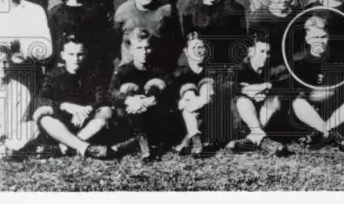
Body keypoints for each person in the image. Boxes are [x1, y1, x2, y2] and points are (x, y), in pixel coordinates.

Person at [290, 15, 344, 152]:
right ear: (307, 39)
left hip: (334, 108)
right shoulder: (298, 60)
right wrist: (315, 95)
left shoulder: (338, 57)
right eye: (315, 38)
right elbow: (295, 90)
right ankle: (330, 133)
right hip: (310, 110)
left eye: (323, 37)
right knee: (297, 103)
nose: (320, 42)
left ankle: (321, 133)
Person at [32, 36, 112, 159]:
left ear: (85, 54)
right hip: (62, 123)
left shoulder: (92, 74)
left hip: (86, 122)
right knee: (44, 119)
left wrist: (85, 110)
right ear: (63, 55)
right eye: (71, 54)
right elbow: (41, 100)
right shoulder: (54, 75)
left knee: (106, 111)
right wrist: (65, 106)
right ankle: (83, 147)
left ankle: (64, 147)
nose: (76, 59)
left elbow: (101, 98)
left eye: (79, 54)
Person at [109, 28, 173, 161]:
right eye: (139, 48)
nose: (144, 53)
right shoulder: (123, 71)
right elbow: (111, 93)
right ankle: (142, 142)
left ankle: (138, 143)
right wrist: (129, 100)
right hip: (130, 115)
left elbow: (171, 88)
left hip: (154, 114)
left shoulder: (158, 69)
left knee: (156, 85)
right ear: (131, 50)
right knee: (127, 88)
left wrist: (152, 98)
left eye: (147, 48)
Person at [227, 33, 291, 156]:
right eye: (262, 51)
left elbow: (284, 78)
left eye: (267, 52)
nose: (266, 56)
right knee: (242, 100)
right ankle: (260, 137)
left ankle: (253, 139)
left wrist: (266, 90)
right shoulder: (238, 70)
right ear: (250, 52)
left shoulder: (269, 71)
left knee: (275, 98)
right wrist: (264, 87)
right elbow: (234, 89)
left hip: (260, 118)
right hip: (239, 120)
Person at [0, 44, 40, 162]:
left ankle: (3, 152)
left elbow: (16, 121)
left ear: (11, 63)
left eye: (6, 62)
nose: (3, 66)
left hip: (9, 136)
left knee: (33, 127)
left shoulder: (21, 90)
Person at [48, 0, 113, 71]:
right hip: (65, 67)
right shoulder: (56, 13)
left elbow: (102, 42)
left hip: (90, 67)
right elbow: (53, 42)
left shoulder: (96, 11)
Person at [115, 0, 182, 68]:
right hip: (131, 67)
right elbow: (115, 40)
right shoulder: (122, 12)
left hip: (158, 66)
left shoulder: (166, 10)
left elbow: (177, 41)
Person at [182, 0, 246, 65]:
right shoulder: (190, 11)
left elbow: (241, 41)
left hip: (228, 63)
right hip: (201, 62)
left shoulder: (234, 10)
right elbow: (188, 43)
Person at [172, 32, 219, 157]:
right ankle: (196, 141)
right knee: (188, 96)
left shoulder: (211, 71)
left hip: (210, 116)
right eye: (193, 48)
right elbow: (177, 100)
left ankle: (191, 141)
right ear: (186, 52)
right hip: (186, 115)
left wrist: (202, 100)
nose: (198, 52)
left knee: (206, 91)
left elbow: (213, 97)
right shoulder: (180, 74)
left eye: (201, 47)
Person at [248, 0, 300, 69]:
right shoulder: (259, 17)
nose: (283, 0)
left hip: (295, 66)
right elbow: (253, 47)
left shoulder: (298, 14)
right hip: (270, 69)